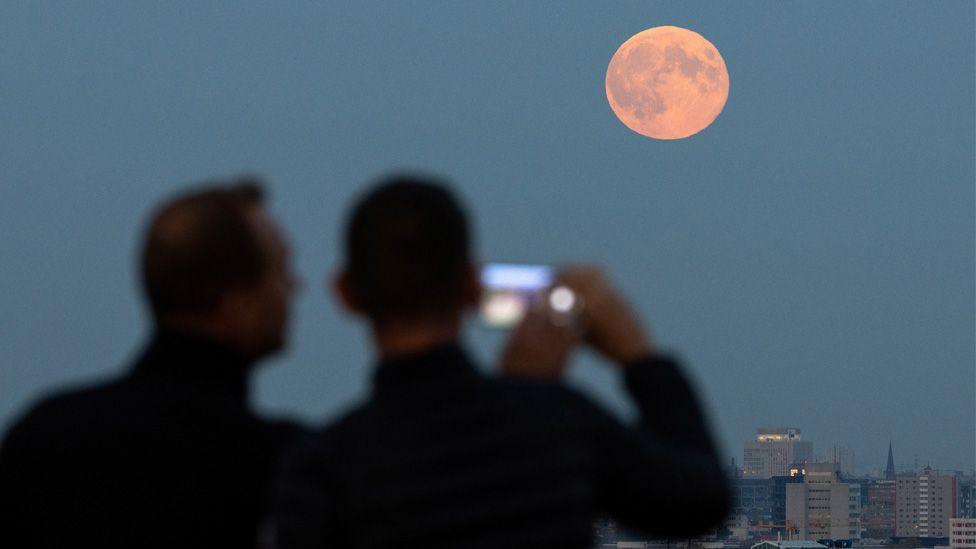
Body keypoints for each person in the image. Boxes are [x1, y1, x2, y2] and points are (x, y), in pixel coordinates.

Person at [270, 174, 730, 548]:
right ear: (472, 285)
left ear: (345, 294)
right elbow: (699, 500)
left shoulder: (325, 466)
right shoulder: (558, 423)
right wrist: (639, 357)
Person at [0, 179, 304, 548]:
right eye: (280, 272)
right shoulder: (281, 467)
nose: (294, 287)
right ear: (236, 302)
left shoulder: (42, 437)